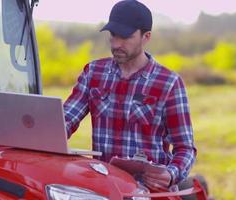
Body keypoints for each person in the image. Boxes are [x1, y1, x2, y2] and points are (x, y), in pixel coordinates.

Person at [63, 0, 196, 192]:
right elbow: (66, 120)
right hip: (105, 189)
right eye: (113, 35)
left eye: (125, 37)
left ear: (146, 37)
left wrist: (171, 174)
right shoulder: (94, 72)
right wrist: (40, 135)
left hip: (149, 192)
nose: (116, 44)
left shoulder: (169, 83)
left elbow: (185, 148)